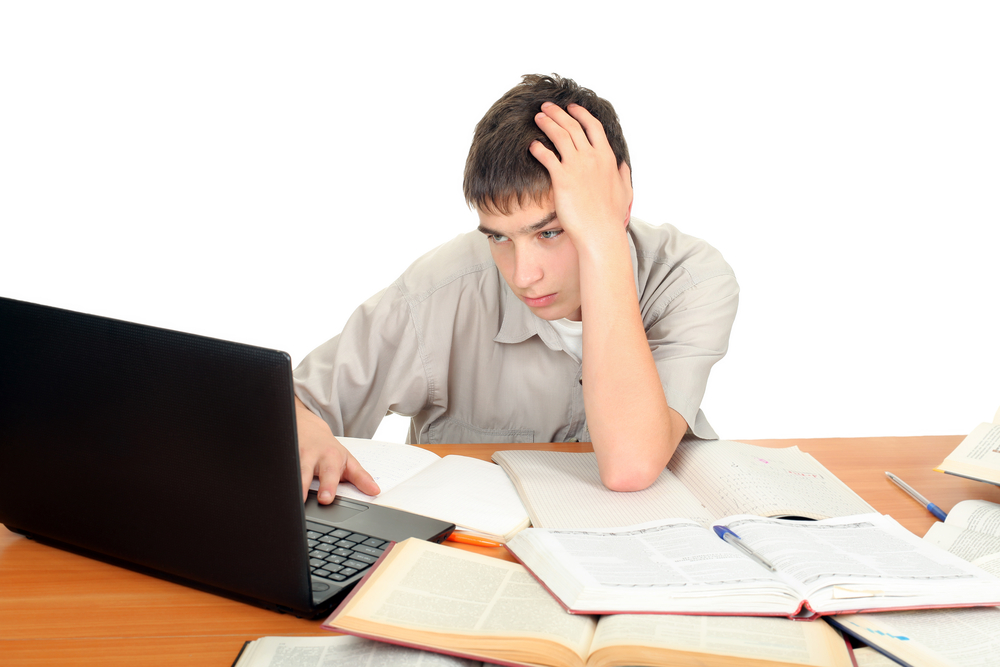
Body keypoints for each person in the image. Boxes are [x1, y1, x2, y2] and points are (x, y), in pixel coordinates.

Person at [293, 74, 739, 503]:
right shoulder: (442, 287)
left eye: (550, 233)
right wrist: (304, 429)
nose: (523, 275)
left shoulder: (691, 281)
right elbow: (292, 405)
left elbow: (630, 466)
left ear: (618, 199)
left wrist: (603, 239)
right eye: (499, 237)